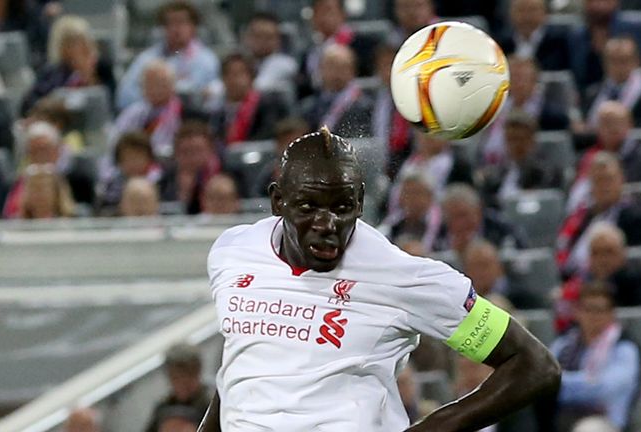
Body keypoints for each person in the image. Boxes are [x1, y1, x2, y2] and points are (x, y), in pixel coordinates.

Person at [198, 127, 561, 432]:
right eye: (308, 207)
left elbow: (535, 366)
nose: (326, 225)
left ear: (359, 202)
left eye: (341, 207)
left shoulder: (402, 276)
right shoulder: (233, 252)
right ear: (278, 201)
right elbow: (240, 365)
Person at [551, 283, 641, 431]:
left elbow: (603, 389)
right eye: (588, 309)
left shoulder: (624, 348)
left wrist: (558, 384)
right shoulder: (563, 345)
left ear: (611, 314)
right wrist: (587, 380)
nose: (594, 316)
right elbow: (542, 380)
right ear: (577, 312)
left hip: (604, 420)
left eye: (600, 310)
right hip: (559, 414)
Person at [557, 152, 641, 278]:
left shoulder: (638, 219)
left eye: (609, 179)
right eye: (598, 180)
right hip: (570, 279)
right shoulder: (581, 217)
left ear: (622, 180)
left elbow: (633, 266)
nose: (604, 186)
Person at [116, 0, 219, 111]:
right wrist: (153, 98)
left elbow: (214, 98)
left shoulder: (207, 60)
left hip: (190, 120)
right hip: (151, 119)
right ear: (163, 28)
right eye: (171, 23)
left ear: (193, 26)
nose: (176, 28)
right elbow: (123, 97)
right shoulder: (146, 59)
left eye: (182, 22)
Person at [567, 101, 641, 213]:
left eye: (616, 122)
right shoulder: (588, 157)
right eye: (605, 123)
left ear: (630, 124)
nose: (611, 128)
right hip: (592, 214)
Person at [557, 222, 641, 331]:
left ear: (623, 253)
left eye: (609, 252)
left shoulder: (635, 281)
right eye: (596, 253)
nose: (602, 259)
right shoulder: (582, 284)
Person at [479, 56, 569, 167]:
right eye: (514, 77)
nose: (518, 83)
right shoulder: (498, 109)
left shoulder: (551, 115)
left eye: (522, 78)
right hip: (494, 168)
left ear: (534, 80)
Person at [21, 15, 116, 115]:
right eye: (75, 41)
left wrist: (89, 76)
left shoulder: (103, 68)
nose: (84, 45)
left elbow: (110, 103)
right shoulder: (52, 74)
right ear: (63, 47)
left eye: (85, 38)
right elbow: (29, 105)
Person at [479, 110, 562, 208]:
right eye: (510, 139)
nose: (515, 145)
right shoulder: (498, 174)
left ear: (532, 140)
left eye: (520, 139)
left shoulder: (545, 172)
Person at [297, 0, 377, 97]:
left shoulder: (362, 45)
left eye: (328, 10)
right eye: (317, 11)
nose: (323, 17)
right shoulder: (310, 52)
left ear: (343, 14)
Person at [208, 53, 288, 147]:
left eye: (239, 73)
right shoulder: (217, 112)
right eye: (228, 74)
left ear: (251, 76)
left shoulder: (268, 105)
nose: (233, 79)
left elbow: (268, 134)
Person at [583, 36, 641, 129]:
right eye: (612, 60)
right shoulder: (592, 93)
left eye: (624, 60)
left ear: (637, 62)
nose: (618, 66)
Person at [111, 60, 183, 159]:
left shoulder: (183, 112)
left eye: (160, 83)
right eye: (150, 83)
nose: (155, 89)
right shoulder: (132, 112)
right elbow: (116, 141)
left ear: (172, 85)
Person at [300, 44, 373, 137]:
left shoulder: (363, 104)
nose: (337, 72)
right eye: (331, 66)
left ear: (353, 71)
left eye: (343, 67)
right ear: (321, 69)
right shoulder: (309, 107)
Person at [433, 183, 528, 255]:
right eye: (453, 217)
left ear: (478, 211)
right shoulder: (440, 234)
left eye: (463, 215)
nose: (460, 223)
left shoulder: (501, 229)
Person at [158, 121, 220, 215]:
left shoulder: (224, 178)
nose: (192, 157)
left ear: (210, 150)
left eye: (198, 150)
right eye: (186, 151)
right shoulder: (164, 182)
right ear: (176, 153)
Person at [371, 42, 414, 179]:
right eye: (383, 66)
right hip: (378, 164)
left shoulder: (415, 99)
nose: (388, 71)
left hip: (407, 163)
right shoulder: (372, 101)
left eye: (392, 65)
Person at [145, 342, 209, 432]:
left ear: (198, 372)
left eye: (189, 375)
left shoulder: (212, 405)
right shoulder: (163, 409)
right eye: (176, 377)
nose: (183, 383)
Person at [378, 172, 441, 255]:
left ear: (430, 196)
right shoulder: (393, 224)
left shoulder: (442, 224)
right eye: (407, 193)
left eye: (416, 193)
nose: (411, 199)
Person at [497, 0, 570, 71]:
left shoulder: (560, 43)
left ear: (545, 13)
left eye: (532, 10)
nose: (526, 16)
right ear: (510, 13)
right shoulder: (500, 44)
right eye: (521, 10)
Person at [99, 131, 162, 213]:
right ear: (119, 161)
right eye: (128, 158)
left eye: (138, 157)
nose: (133, 163)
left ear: (149, 158)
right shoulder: (109, 189)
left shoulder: (162, 182)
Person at [251, 116, 310, 198]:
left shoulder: (320, 172)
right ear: (278, 145)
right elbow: (257, 200)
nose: (291, 147)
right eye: (286, 142)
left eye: (296, 142)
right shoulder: (269, 172)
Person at [242, 12, 298, 92]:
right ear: (247, 37)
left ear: (278, 40)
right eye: (258, 36)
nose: (262, 41)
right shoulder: (244, 62)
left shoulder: (285, 64)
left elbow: (259, 86)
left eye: (268, 37)